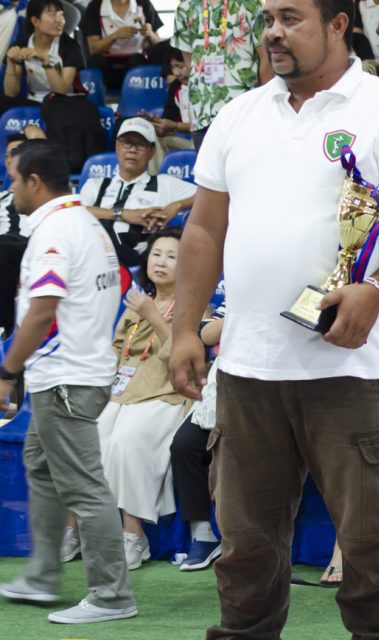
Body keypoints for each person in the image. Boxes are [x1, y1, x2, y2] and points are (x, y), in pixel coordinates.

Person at [166, 0, 379, 635]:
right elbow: (205, 230)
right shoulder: (237, 115)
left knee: (371, 550)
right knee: (244, 550)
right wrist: (185, 328)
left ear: (338, 24)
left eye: (290, 17)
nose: (272, 32)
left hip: (350, 370)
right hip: (246, 369)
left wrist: (376, 289)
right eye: (267, 19)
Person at [0, 139, 137, 624]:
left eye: (13, 179)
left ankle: (111, 596)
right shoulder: (85, 223)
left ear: (35, 183)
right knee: (40, 466)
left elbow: (41, 314)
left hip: (65, 379)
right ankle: (41, 576)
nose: (10, 187)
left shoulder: (55, 232)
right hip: (73, 373)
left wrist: (6, 369)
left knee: (84, 488)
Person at [86, 227, 191, 571]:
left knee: (127, 442)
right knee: (91, 436)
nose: (161, 262)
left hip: (166, 392)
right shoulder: (137, 300)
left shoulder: (193, 304)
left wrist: (152, 315)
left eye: (172, 256)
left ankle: (134, 535)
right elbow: (119, 350)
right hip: (123, 391)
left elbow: (181, 353)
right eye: (156, 254)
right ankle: (90, 532)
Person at [78, 118, 197, 268]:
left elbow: (207, 195)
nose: (132, 150)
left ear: (151, 151)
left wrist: (177, 205)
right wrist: (123, 214)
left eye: (140, 145)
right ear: (117, 146)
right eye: (127, 143)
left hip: (140, 266)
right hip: (95, 261)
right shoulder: (96, 184)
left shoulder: (164, 183)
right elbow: (77, 212)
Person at [166, 296, 225, 572]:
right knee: (184, 445)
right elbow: (207, 332)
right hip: (223, 382)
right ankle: (203, 535)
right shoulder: (238, 293)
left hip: (274, 382)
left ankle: (267, 546)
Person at [172, 0, 270, 150]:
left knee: (243, 170)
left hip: (244, 110)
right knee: (206, 172)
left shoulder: (250, 4)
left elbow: (266, 58)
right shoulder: (185, 7)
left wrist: (263, 103)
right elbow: (189, 62)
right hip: (202, 111)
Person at [2, 0, 85, 109]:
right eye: (52, 15)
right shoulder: (22, 45)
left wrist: (46, 62)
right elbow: (11, 93)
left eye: (61, 15)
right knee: (3, 103)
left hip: (67, 102)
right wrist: (11, 63)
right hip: (36, 101)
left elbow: (61, 91)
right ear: (35, 21)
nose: (61, 20)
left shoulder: (70, 46)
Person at [80, 0, 165, 93]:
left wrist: (150, 33)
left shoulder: (143, 4)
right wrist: (114, 36)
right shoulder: (96, 6)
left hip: (135, 64)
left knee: (138, 60)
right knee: (96, 61)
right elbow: (94, 49)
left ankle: (136, 98)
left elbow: (159, 46)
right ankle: (99, 99)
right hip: (107, 65)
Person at [0, 134, 32, 336]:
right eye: (8, 154)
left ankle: (5, 328)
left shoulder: (41, 192)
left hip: (30, 246)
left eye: (18, 152)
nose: (13, 157)